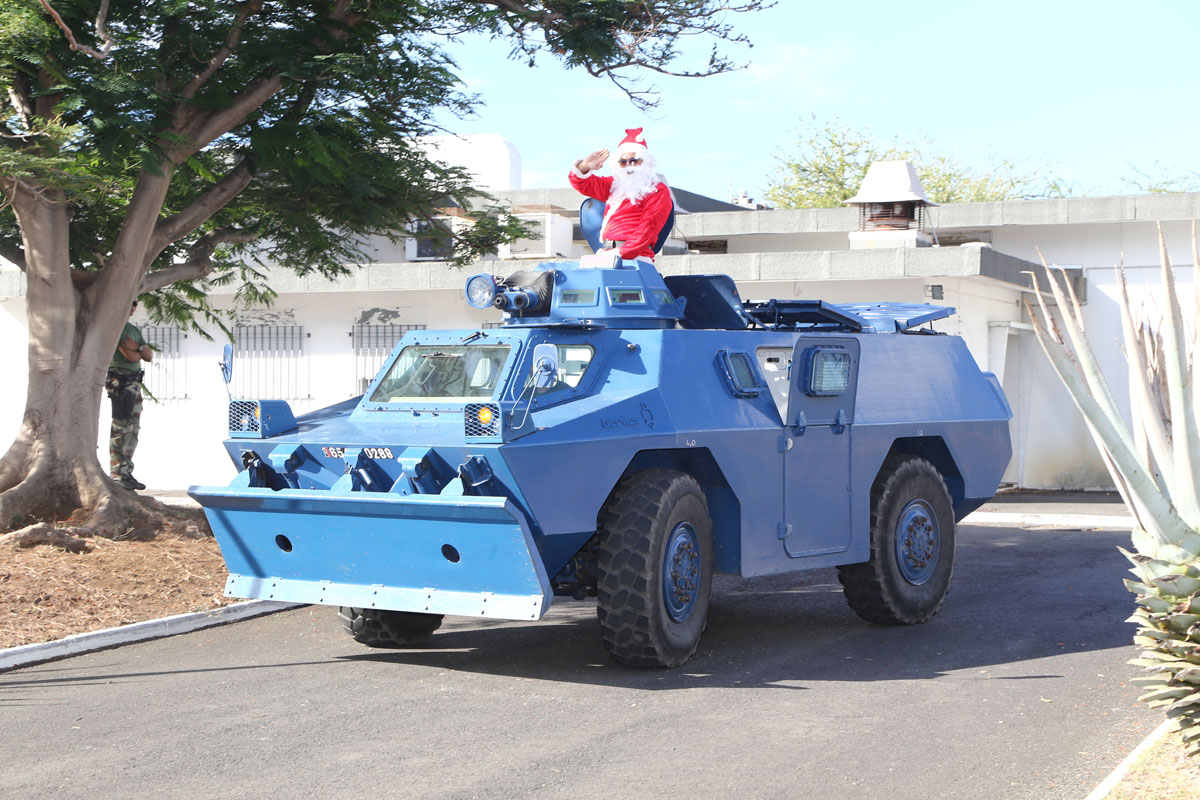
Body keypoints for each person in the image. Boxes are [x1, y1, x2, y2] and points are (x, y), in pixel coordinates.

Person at [569, 127, 674, 263]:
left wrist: (620, 253)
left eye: (634, 160)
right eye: (623, 162)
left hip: (635, 258)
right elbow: (583, 184)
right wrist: (585, 166)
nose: (628, 165)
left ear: (645, 161)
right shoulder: (614, 185)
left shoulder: (657, 190)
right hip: (608, 254)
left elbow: (648, 229)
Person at [106, 301, 153, 490]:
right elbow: (130, 357)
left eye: (135, 303)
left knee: (133, 429)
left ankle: (126, 472)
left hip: (134, 383)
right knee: (120, 427)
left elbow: (148, 356)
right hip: (121, 382)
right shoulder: (116, 329)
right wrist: (137, 350)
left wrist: (139, 348)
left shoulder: (132, 330)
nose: (132, 306)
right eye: (129, 302)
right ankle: (117, 472)